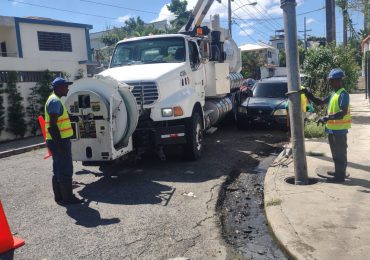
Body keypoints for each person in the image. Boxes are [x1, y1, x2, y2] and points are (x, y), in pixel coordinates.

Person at [303, 68, 351, 183]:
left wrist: (326, 118)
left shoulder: (343, 94)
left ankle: (340, 177)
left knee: (340, 154)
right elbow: (320, 102)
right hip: (332, 130)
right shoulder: (334, 94)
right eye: (330, 81)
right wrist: (308, 94)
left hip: (339, 131)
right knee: (335, 153)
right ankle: (338, 171)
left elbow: (342, 113)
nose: (330, 83)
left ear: (339, 81)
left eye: (332, 81)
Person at [45, 77, 83, 204]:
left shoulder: (55, 100)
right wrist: (59, 143)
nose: (67, 88)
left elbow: (59, 119)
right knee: (65, 168)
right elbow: (52, 125)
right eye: (65, 86)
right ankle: (68, 198)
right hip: (59, 141)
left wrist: (72, 117)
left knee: (58, 168)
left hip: (56, 140)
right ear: (59, 88)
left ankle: (59, 197)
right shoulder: (55, 101)